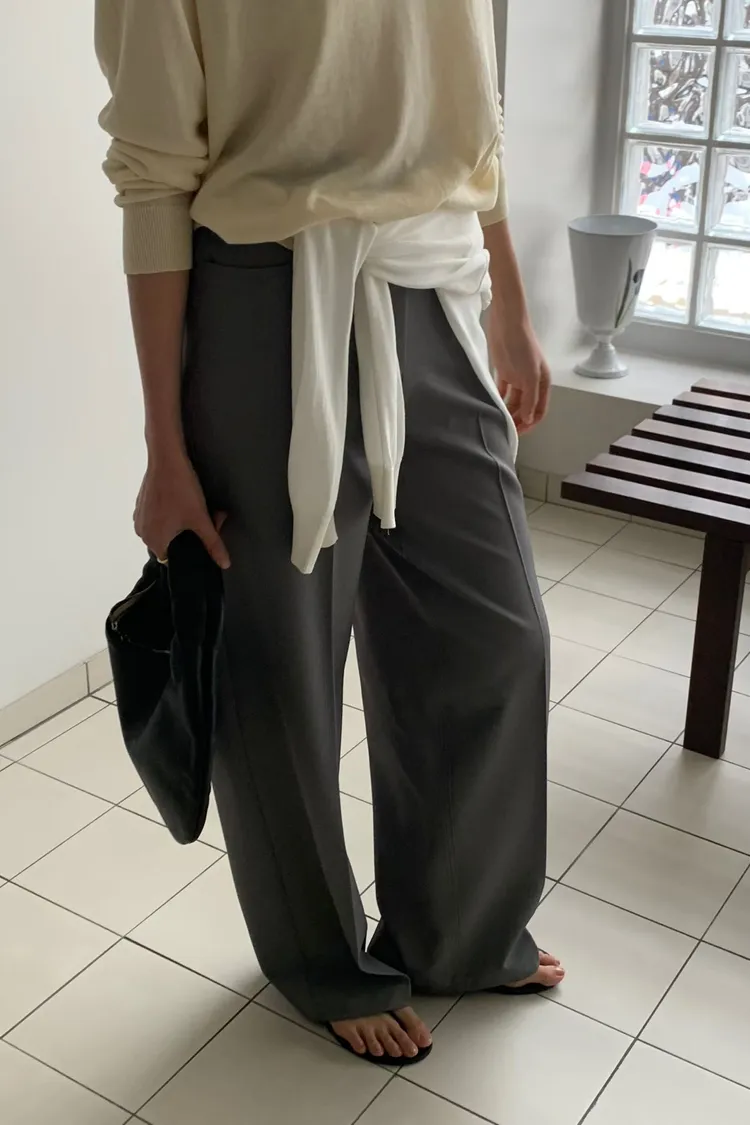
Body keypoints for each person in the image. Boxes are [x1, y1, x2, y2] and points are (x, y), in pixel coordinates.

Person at [95, 0, 563, 1065]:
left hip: (436, 279)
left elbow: (473, 116)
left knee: (498, 641)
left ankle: (460, 927)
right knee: (279, 669)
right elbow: (153, 178)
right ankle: (319, 958)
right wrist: (165, 445)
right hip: (266, 300)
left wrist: (511, 303)